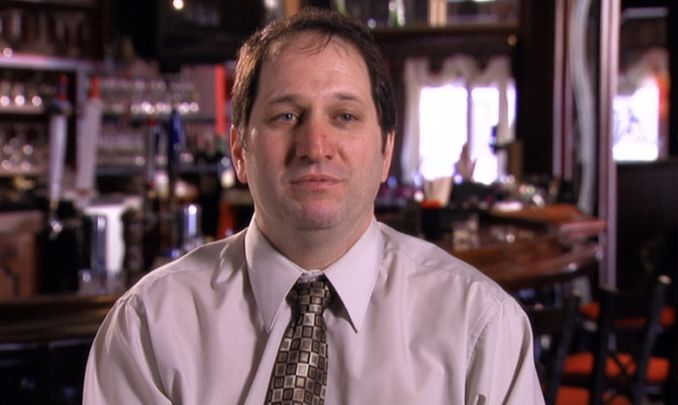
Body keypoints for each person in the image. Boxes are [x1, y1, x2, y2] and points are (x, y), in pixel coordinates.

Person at [83, 8, 543, 405]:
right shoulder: (149, 326)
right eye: (286, 116)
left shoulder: (481, 327)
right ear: (240, 150)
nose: (315, 146)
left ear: (386, 150)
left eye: (345, 116)